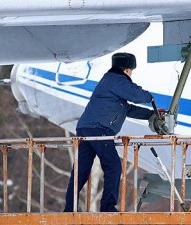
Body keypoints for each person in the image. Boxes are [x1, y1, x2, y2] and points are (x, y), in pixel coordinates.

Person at [64, 52, 154, 212]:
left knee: (81, 170)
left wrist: (151, 115)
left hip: (86, 128)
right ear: (127, 69)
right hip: (99, 129)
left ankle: (69, 208)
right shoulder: (117, 80)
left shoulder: (109, 83)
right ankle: (107, 207)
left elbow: (127, 109)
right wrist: (151, 98)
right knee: (113, 166)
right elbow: (137, 95)